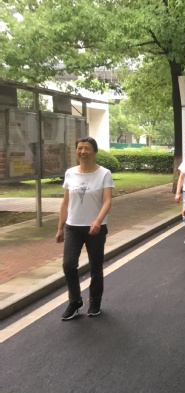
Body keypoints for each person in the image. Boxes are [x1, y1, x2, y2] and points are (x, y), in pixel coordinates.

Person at [56, 137, 114, 320]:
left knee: (95, 266)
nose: (83, 152)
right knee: (68, 265)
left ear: (94, 152)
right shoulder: (70, 173)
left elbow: (107, 201)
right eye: (80, 148)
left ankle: (95, 301)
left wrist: (98, 220)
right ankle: (75, 301)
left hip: (95, 228)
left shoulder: (104, 174)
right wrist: (60, 227)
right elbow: (65, 202)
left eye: (87, 148)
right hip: (73, 227)